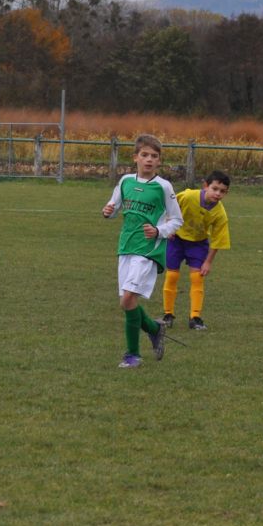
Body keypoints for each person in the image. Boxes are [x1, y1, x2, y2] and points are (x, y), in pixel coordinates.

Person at [102, 134, 183, 368]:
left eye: (154, 156)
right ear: (135, 157)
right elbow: (115, 207)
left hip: (148, 250)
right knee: (126, 303)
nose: (149, 159)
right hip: (126, 246)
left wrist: (158, 231)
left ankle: (132, 355)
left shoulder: (163, 186)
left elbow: (177, 220)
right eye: (144, 155)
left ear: (159, 161)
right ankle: (154, 328)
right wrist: (108, 212)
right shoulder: (126, 181)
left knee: (128, 298)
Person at [162, 170, 231, 331]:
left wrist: (208, 262)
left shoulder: (220, 213)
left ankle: (195, 317)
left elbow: (218, 240)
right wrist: (167, 225)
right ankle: (168, 314)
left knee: (197, 278)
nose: (218, 194)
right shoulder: (188, 196)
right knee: (172, 275)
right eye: (215, 189)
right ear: (205, 186)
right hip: (176, 240)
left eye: (222, 191)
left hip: (198, 244)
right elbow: (169, 206)